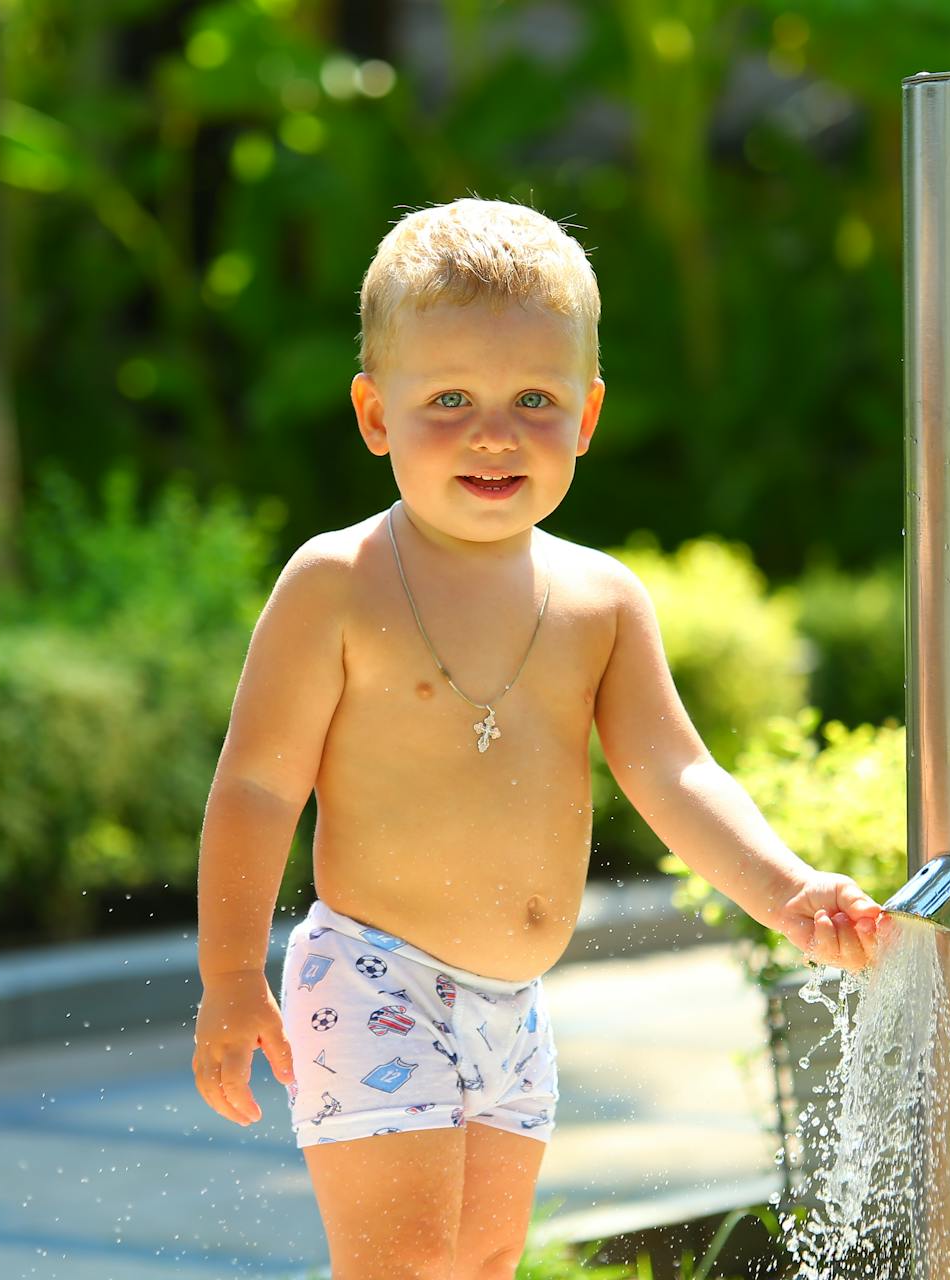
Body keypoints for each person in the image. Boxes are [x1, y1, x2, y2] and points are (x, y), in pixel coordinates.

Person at [191, 196, 890, 1280]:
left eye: (533, 398)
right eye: (450, 399)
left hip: (511, 1003)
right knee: (405, 1262)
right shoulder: (337, 584)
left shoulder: (600, 601)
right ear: (375, 414)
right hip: (376, 974)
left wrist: (786, 889)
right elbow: (256, 788)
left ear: (588, 415)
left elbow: (676, 770)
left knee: (484, 1257)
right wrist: (233, 972)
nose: (493, 431)